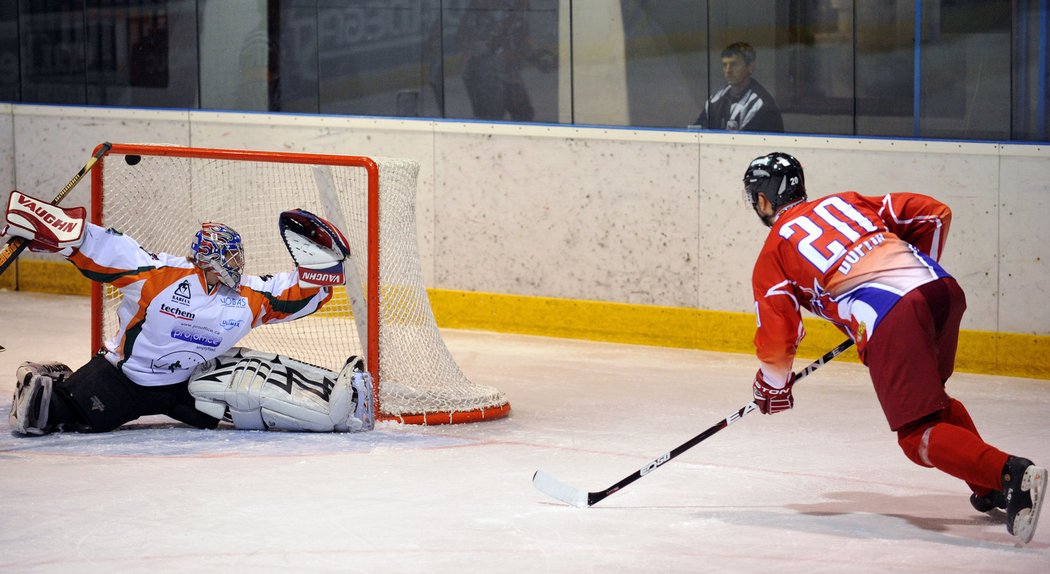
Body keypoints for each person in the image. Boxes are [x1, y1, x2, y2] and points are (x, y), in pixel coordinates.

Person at [741, 152, 1046, 544]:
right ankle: (988, 487)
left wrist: (773, 385)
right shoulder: (845, 201)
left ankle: (1013, 475)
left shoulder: (772, 254)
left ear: (763, 201)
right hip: (941, 290)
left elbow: (779, 336)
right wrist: (909, 279)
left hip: (896, 313)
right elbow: (934, 214)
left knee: (916, 435)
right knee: (934, 404)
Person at [3, 190, 374, 435]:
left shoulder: (247, 296)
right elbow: (109, 249)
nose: (238, 262)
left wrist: (321, 267)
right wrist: (65, 231)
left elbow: (291, 295)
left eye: (238, 254)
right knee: (45, 415)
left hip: (185, 385)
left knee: (254, 410)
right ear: (208, 257)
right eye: (229, 255)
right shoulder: (160, 275)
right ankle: (56, 380)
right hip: (123, 378)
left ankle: (333, 401)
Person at [457, 0, 556, 122]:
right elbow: (467, 42)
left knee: (524, 113)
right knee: (490, 118)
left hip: (507, 73)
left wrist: (538, 56)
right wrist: (493, 45)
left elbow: (522, 40)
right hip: (483, 75)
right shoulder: (478, 13)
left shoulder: (514, 15)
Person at [694, 42, 783, 132]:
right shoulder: (715, 100)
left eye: (734, 64)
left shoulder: (762, 105)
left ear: (750, 67)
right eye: (725, 65)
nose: (728, 70)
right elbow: (697, 132)